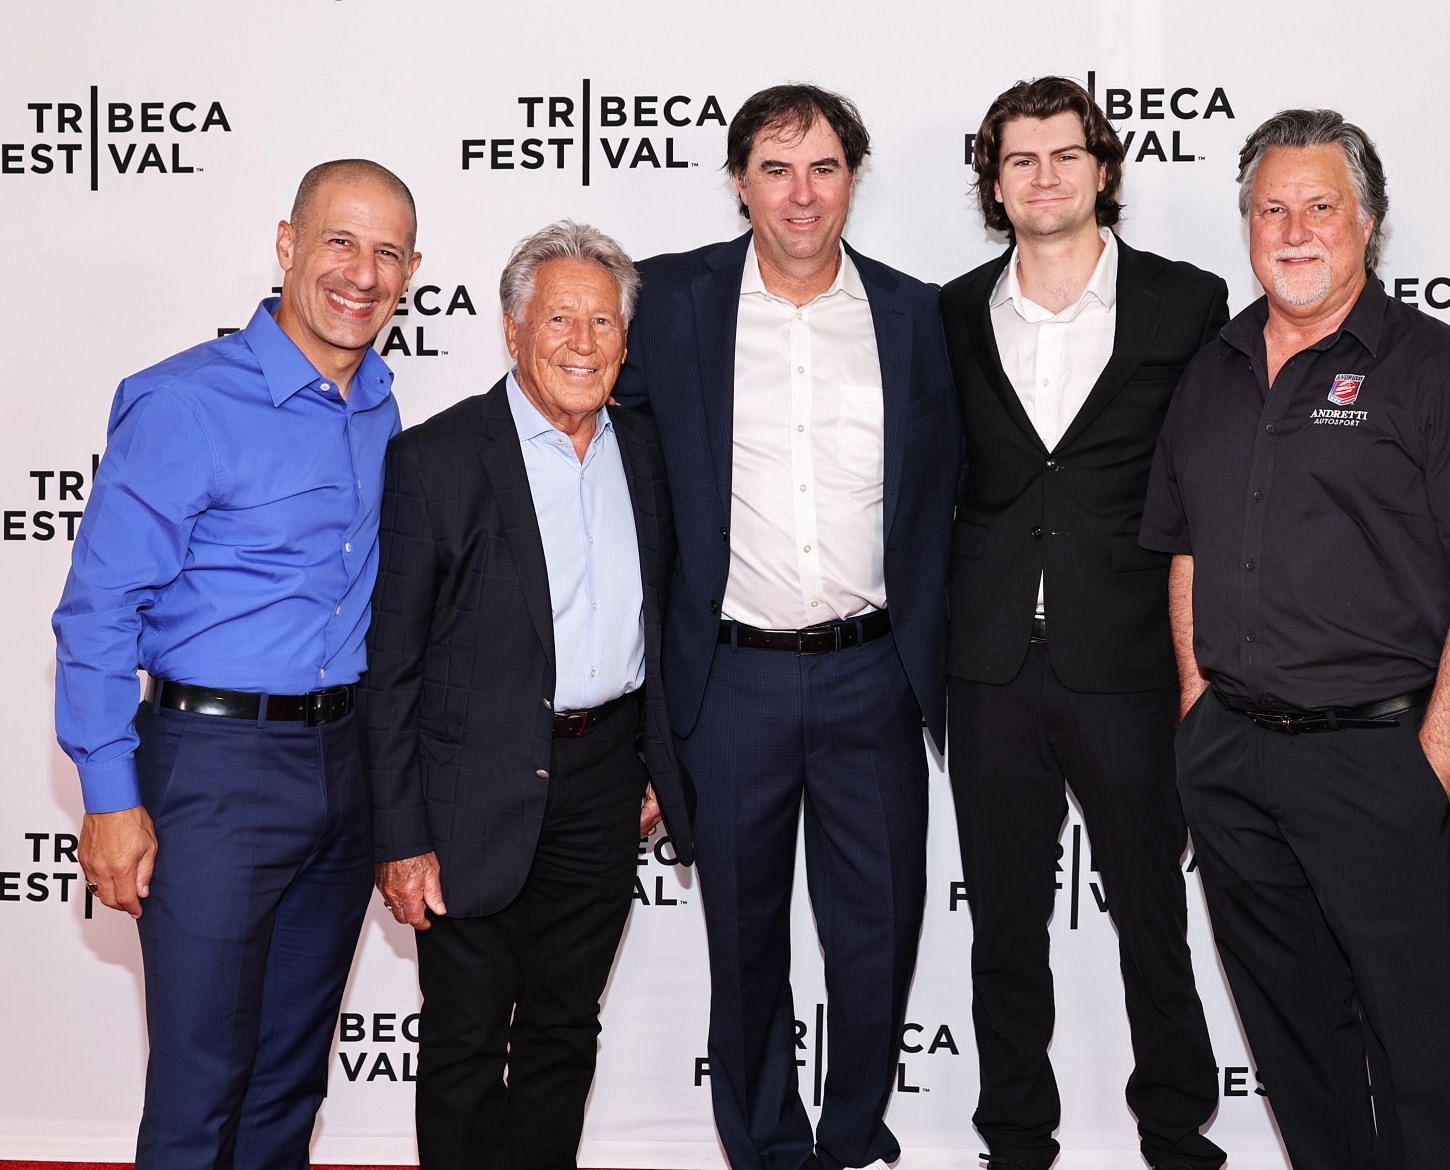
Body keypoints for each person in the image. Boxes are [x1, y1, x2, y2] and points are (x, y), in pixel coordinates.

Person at [1140, 109, 1450, 1170]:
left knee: (1410, 1043)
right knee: (1293, 1040)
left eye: (1321, 206)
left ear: (1369, 222)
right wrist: (1195, 713)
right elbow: (1183, 553)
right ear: (1247, 225)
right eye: (1272, 208)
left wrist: (1433, 764)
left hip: (1378, 760)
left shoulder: (1436, 370)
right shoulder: (1212, 369)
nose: (1295, 228)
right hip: (1231, 758)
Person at [614, 84, 963, 1170]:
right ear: (739, 183)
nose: (801, 194)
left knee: (877, 936)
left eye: (823, 168)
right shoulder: (667, 302)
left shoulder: (918, 315)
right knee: (745, 943)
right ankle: (764, 1145)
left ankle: (855, 1134)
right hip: (729, 681)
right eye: (776, 167)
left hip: (872, 678)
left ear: (853, 179)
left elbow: (954, 491)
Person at [53, 158, 420, 1167]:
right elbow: (97, 614)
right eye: (339, 241)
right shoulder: (182, 401)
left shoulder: (383, 407)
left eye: (388, 252)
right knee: (199, 1088)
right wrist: (109, 795)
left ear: (412, 272)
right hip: (211, 774)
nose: (362, 271)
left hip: (343, 770)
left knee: (288, 1086)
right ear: (287, 244)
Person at [940, 75, 1227, 1170]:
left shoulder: (1185, 301)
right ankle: (1014, 1134)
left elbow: (1205, 476)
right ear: (995, 183)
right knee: (1004, 922)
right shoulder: (952, 310)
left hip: (1133, 657)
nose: (1044, 176)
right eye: (1020, 160)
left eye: (1064, 154)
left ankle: (1175, 1130)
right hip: (993, 662)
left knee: (1152, 910)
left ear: (1101, 169)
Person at [362, 220, 692, 1169]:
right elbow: (392, 667)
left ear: (627, 341)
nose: (582, 342)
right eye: (559, 318)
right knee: (465, 1043)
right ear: (512, 331)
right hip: (471, 787)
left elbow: (664, 623)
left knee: (562, 1030)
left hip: (604, 782)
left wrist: (658, 763)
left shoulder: (653, 455)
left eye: (602, 321)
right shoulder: (437, 461)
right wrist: (401, 835)